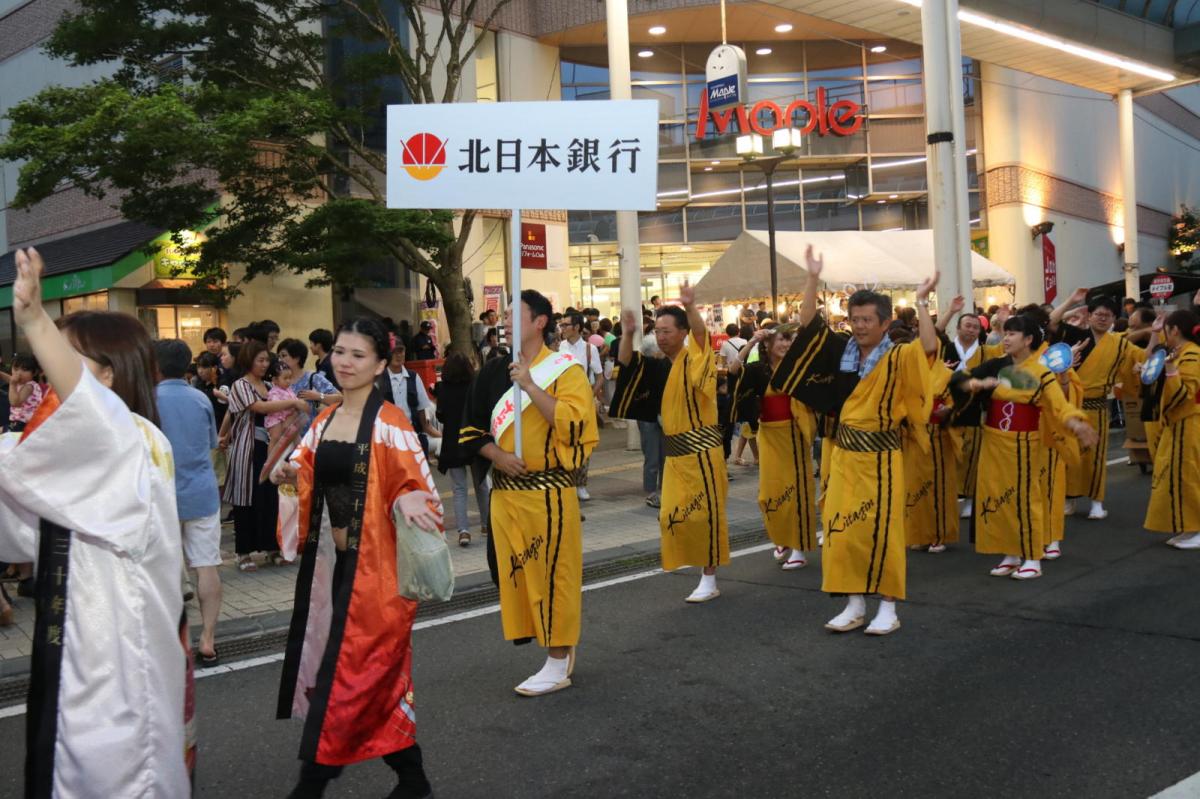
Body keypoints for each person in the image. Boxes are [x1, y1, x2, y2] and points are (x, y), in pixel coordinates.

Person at [0, 248, 188, 796]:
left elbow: (86, 419)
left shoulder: (132, 439)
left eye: (66, 359)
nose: (49, 375)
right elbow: (21, 516)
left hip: (117, 654)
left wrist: (35, 322)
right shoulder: (85, 449)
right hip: (75, 642)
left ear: (109, 373)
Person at [274, 318, 442, 799]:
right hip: (336, 570)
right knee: (368, 677)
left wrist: (406, 498)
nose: (345, 363)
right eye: (340, 352)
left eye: (358, 355)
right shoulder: (325, 420)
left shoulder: (391, 424)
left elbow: (420, 491)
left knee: (346, 676)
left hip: (378, 576)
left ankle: (310, 787)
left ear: (380, 364)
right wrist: (290, 474)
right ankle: (413, 779)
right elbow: (307, 468)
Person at [770, 246, 940, 635]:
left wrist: (922, 303)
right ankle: (854, 603)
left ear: (885, 323)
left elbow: (929, 349)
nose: (860, 326)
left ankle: (888, 606)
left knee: (882, 531)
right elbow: (808, 323)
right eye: (854, 319)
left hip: (881, 459)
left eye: (867, 320)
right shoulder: (841, 351)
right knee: (841, 530)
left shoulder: (898, 356)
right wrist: (813, 277)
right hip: (843, 456)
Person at [459, 290, 597, 696]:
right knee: (517, 576)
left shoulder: (565, 370)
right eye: (502, 314)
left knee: (553, 574)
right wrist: (497, 455)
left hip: (547, 493)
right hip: (505, 495)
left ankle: (558, 657)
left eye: (512, 314)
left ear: (539, 322)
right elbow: (468, 430)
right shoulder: (493, 371)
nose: (503, 320)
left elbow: (575, 425)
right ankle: (549, 647)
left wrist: (532, 386)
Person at [950, 316, 1097, 579]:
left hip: (1023, 445)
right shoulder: (997, 365)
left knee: (1026, 499)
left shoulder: (1042, 373)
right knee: (998, 498)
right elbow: (959, 380)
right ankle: (1011, 553)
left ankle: (1032, 557)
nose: (1006, 338)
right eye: (1005, 333)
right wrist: (974, 385)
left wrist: (1075, 423)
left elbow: (1058, 406)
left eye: (1013, 334)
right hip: (993, 441)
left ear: (1028, 339)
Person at [611, 283, 729, 603]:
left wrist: (690, 307)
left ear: (682, 332)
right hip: (675, 457)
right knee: (671, 516)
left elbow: (702, 336)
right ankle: (699, 567)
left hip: (702, 454)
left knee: (704, 515)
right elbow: (626, 364)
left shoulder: (697, 358)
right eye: (657, 331)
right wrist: (628, 333)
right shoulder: (660, 366)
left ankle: (709, 577)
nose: (661, 337)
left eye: (667, 331)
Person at [155, 339, 224, 665]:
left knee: (166, 571)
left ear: (155, 365)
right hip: (202, 492)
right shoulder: (200, 398)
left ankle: (175, 641)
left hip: (162, 496)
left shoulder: (148, 400)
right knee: (206, 566)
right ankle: (207, 638)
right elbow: (211, 442)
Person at [729, 325, 817, 569]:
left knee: (797, 491)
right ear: (767, 344)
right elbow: (733, 370)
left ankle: (799, 547)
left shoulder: (797, 368)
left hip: (795, 435)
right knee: (770, 492)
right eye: (781, 340)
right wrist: (750, 343)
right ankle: (782, 538)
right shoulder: (758, 370)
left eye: (789, 340)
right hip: (768, 435)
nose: (785, 344)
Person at [222, 340, 306, 571]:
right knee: (246, 501)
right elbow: (258, 407)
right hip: (248, 451)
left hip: (273, 450)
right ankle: (243, 552)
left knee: (271, 499)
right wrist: (293, 401)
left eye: (266, 360)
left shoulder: (271, 385)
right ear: (248, 361)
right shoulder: (240, 385)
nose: (264, 364)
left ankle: (273, 548)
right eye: (260, 360)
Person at [1049, 290, 1131, 520]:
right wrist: (1071, 302)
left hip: (1097, 407)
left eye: (1107, 315)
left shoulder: (1119, 343)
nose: (1102, 318)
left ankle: (1097, 501)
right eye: (1098, 314)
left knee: (1095, 456)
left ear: (1114, 318)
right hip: (1070, 405)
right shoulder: (1075, 335)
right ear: (1089, 316)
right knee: (1068, 454)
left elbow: (1141, 357)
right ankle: (1069, 499)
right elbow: (1051, 322)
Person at [1144, 310, 1200, 548]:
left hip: (1189, 422)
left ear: (1175, 329)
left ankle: (1196, 527)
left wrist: (1170, 369)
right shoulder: (1182, 352)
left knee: (1189, 476)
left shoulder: (1192, 354)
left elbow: (1183, 393)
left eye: (1166, 330)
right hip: (1180, 422)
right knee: (1180, 476)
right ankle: (1189, 526)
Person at [435, 352, 489, 547]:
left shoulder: (442, 389)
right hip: (474, 440)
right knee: (481, 484)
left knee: (459, 489)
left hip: (452, 443)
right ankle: (486, 524)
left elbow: (440, 416)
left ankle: (463, 531)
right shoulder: (475, 385)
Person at [557, 312, 604, 501]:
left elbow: (599, 376)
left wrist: (590, 395)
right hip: (563, 401)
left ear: (576, 327)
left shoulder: (589, 349)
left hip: (583, 403)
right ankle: (567, 483)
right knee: (564, 441)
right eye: (561, 325)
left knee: (583, 443)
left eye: (565, 325)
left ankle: (581, 484)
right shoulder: (559, 347)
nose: (562, 328)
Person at [377, 340, 440, 454]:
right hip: (388, 439)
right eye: (394, 351)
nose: (399, 355)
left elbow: (423, 418)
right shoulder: (379, 380)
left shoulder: (414, 377)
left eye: (401, 351)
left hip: (414, 436)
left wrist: (440, 435)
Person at [279, 338, 341, 425]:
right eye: (279, 357)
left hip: (308, 431)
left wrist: (318, 396)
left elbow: (339, 398)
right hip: (283, 431)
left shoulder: (312, 377)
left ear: (297, 358)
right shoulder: (278, 380)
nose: (280, 360)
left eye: (284, 356)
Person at [7, 353, 44, 434]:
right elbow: (9, 378)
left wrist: (12, 385)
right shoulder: (23, 383)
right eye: (16, 369)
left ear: (34, 373)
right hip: (22, 421)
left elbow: (15, 403)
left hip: (23, 423)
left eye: (24, 370)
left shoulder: (29, 386)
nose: (19, 373)